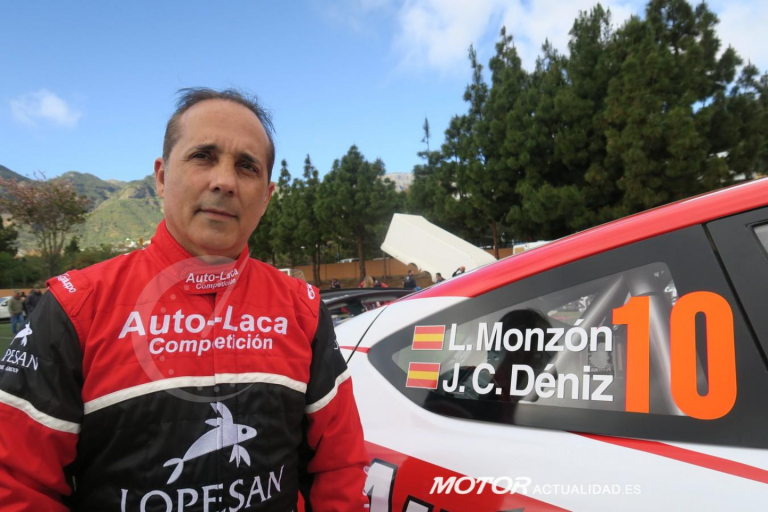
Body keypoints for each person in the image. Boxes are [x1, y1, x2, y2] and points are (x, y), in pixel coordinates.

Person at [0, 88, 369, 511]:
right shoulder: (76, 306)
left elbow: (340, 463)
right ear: (161, 177)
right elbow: (16, 484)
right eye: (203, 156)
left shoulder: (302, 308)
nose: (225, 182)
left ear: (266, 197)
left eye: (246, 166)